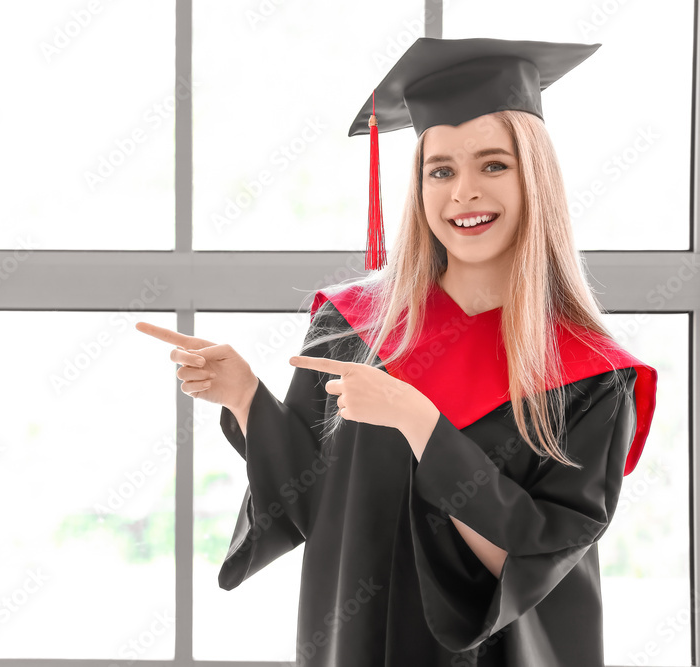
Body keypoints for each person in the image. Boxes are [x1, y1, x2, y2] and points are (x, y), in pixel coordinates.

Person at [136, 37, 658, 666]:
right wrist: (245, 398)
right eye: (441, 170)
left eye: (493, 165)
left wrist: (422, 426)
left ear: (535, 180)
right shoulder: (353, 328)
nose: (463, 191)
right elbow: (317, 508)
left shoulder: (588, 374)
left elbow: (532, 560)